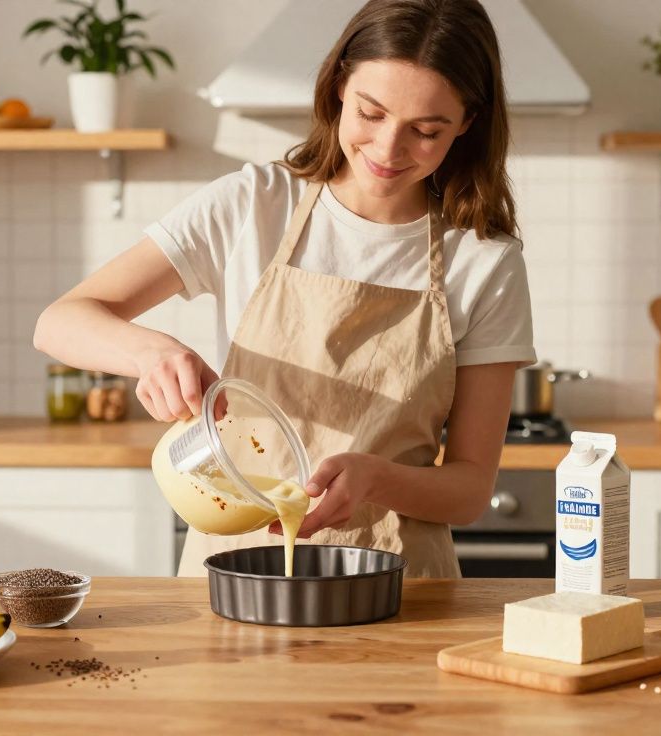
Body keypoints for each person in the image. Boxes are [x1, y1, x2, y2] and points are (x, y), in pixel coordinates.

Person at [33, 0, 534, 577]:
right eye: (370, 113)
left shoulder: (484, 260)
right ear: (340, 84)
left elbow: (470, 488)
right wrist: (153, 351)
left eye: (426, 131)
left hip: (395, 591)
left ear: (468, 123)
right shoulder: (252, 205)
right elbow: (60, 321)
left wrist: (378, 478)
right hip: (233, 572)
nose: (389, 149)